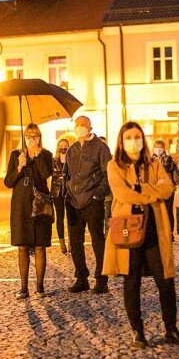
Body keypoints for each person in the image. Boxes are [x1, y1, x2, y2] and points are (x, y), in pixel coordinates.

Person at [103, 122, 179, 348]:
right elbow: (122, 194)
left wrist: (141, 190)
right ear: (122, 141)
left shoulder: (153, 163)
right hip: (128, 228)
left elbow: (168, 188)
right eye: (129, 137)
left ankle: (171, 329)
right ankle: (137, 331)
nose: (134, 140)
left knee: (165, 280)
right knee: (131, 281)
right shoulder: (114, 165)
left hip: (155, 228)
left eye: (137, 136)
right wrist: (151, 192)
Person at [4, 123, 54, 299]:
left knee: (40, 246)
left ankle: (40, 287)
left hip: (40, 203)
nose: (32, 139)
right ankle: (23, 287)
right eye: (29, 135)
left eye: (35, 136)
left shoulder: (46, 154)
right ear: (24, 137)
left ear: (40, 137)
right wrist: (19, 167)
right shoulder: (16, 155)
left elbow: (46, 174)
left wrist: (38, 155)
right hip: (21, 204)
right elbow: (8, 182)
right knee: (22, 247)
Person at [65, 115, 112, 294]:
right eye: (77, 125)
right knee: (75, 243)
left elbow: (107, 175)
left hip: (92, 201)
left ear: (90, 127)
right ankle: (81, 278)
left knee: (97, 240)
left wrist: (97, 195)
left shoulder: (101, 148)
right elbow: (67, 174)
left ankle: (102, 280)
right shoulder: (72, 149)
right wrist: (66, 192)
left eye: (83, 125)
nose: (80, 128)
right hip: (73, 202)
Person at [152, 138, 179, 241]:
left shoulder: (169, 159)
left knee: (168, 211)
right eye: (156, 147)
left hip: (167, 188)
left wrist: (176, 184)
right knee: (156, 211)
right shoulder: (150, 159)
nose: (158, 149)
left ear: (164, 148)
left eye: (160, 147)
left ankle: (169, 233)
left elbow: (174, 172)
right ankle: (157, 233)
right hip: (155, 189)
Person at [51, 137, 70, 253]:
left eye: (65, 145)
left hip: (69, 191)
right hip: (57, 191)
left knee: (71, 218)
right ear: (58, 147)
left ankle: (71, 242)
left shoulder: (71, 159)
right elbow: (51, 173)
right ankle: (62, 242)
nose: (63, 147)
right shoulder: (53, 160)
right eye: (61, 145)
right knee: (60, 217)